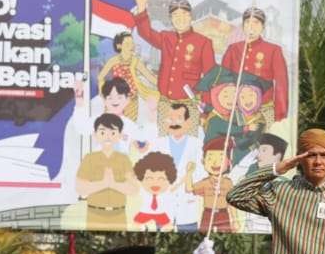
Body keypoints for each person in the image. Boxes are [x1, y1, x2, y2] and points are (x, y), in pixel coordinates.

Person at [132, 0, 214, 118]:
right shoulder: (166, 37)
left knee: (190, 139)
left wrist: (205, 108)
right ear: (171, 19)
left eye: (184, 14)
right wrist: (141, 8)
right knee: (163, 139)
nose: (180, 19)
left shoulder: (203, 42)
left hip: (189, 105)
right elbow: (146, 33)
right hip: (165, 103)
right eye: (175, 15)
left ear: (190, 17)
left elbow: (210, 78)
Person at [220, 7, 290, 121]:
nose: (251, 26)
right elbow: (223, 80)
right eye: (248, 22)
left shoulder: (274, 50)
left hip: (263, 109)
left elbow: (281, 84)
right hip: (237, 109)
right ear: (243, 26)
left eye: (256, 22)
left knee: (263, 139)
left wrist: (279, 114)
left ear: (263, 27)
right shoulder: (233, 49)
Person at [76, 113, 137, 230]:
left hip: (119, 214)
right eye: (103, 132)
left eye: (113, 133)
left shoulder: (124, 159)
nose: (108, 137)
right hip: (94, 213)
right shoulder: (89, 158)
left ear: (119, 135)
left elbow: (134, 189)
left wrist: (113, 184)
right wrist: (103, 184)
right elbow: (80, 188)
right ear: (95, 135)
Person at [151, 102, 204, 232]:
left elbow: (201, 174)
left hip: (187, 203)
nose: (174, 123)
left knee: (189, 239)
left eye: (179, 118)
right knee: (161, 238)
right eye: (170, 119)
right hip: (164, 202)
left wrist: (189, 178)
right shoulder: (158, 144)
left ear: (188, 122)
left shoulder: (197, 145)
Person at [97, 30, 159, 122]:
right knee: (111, 124)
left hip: (131, 99)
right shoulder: (114, 60)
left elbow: (150, 77)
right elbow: (100, 77)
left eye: (132, 43)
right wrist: (103, 92)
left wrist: (164, 85)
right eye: (127, 43)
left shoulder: (135, 61)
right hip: (115, 98)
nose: (131, 46)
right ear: (119, 46)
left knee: (130, 126)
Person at [187, 136, 237, 233]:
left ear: (229, 162)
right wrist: (189, 173)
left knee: (225, 235)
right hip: (208, 213)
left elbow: (232, 203)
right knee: (203, 235)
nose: (215, 162)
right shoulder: (205, 182)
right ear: (203, 161)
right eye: (210, 158)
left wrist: (235, 220)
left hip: (223, 214)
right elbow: (189, 189)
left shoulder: (228, 183)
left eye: (221, 158)